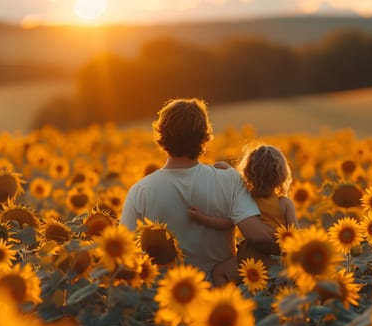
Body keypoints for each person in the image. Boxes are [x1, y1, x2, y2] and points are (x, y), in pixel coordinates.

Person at [119, 98, 278, 282]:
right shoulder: (228, 180)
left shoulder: (141, 191)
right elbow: (258, 235)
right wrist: (296, 241)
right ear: (205, 136)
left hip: (164, 300)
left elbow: (124, 255)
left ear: (161, 135)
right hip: (221, 303)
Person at [188, 144, 299, 286]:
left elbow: (226, 223)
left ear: (247, 173)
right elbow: (295, 235)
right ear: (282, 175)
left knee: (219, 273)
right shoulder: (285, 204)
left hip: (249, 258)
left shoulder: (246, 199)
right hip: (277, 261)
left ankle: (232, 303)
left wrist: (201, 218)